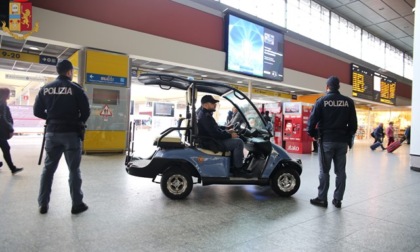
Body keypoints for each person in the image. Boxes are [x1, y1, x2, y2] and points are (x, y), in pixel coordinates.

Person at [33, 60, 91, 215]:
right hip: (71, 134)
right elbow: (86, 111)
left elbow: (37, 111)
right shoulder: (75, 89)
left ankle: (43, 204)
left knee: (48, 169)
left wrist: (51, 118)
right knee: (74, 170)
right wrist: (77, 122)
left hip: (52, 133)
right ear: (69, 72)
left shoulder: (45, 89)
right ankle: (77, 204)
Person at [307, 76, 357, 208]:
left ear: (327, 87)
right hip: (342, 142)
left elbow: (312, 122)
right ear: (339, 86)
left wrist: (313, 134)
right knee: (341, 172)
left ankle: (322, 199)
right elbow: (353, 125)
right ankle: (338, 199)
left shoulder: (321, 101)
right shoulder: (348, 102)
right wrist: (348, 138)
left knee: (324, 171)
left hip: (326, 141)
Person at [196, 95, 248, 176]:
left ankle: (232, 165)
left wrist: (226, 129)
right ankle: (238, 169)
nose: (215, 104)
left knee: (236, 139)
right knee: (239, 142)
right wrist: (230, 135)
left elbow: (214, 128)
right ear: (205, 105)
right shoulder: (205, 117)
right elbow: (215, 134)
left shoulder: (203, 113)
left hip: (210, 140)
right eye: (212, 103)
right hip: (212, 142)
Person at [0, 88, 23, 174]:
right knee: (6, 148)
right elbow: (5, 119)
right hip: (1, 132)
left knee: (5, 148)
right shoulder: (3, 105)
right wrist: (11, 129)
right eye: (8, 93)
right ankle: (12, 168)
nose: (9, 95)